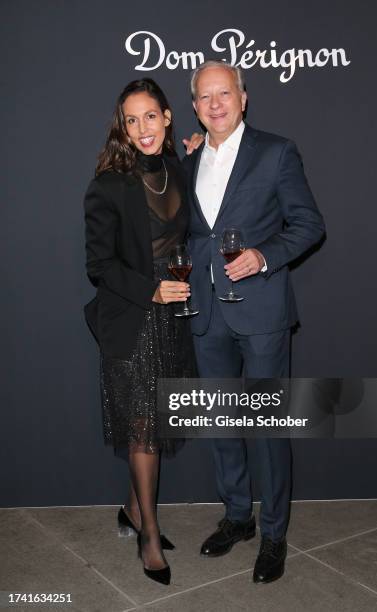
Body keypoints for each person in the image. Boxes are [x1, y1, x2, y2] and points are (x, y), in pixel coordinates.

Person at [182, 60, 325, 584]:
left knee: (266, 428)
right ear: (195, 106)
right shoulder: (188, 157)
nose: (215, 103)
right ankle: (237, 517)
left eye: (225, 93)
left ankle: (273, 534)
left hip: (261, 312)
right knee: (221, 423)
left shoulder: (276, 151)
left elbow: (309, 224)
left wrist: (265, 256)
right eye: (205, 96)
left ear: (243, 98)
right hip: (206, 311)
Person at [83, 78, 196, 586]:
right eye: (131, 120)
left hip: (173, 322)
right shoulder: (107, 184)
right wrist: (150, 290)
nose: (142, 128)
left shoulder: (177, 170)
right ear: (121, 127)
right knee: (143, 432)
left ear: (168, 117)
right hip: (132, 320)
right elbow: (99, 265)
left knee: (158, 422)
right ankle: (149, 533)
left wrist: (193, 149)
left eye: (150, 116)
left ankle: (132, 508)